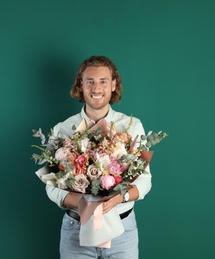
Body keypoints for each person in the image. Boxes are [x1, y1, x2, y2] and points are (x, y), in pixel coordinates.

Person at [46, 55, 152, 259]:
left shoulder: (132, 127)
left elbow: (145, 181)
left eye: (103, 81)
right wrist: (82, 203)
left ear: (113, 85)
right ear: (81, 85)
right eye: (90, 81)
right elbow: (51, 187)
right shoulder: (63, 130)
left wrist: (119, 197)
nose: (96, 88)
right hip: (75, 229)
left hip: (122, 228)